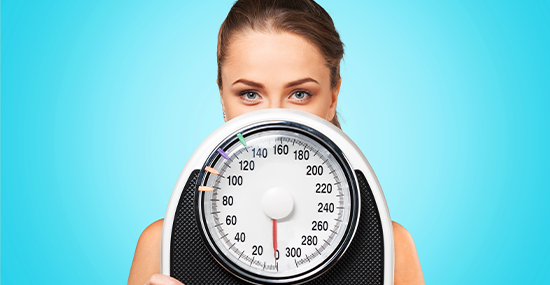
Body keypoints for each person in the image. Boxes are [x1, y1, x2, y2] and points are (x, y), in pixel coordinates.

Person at [128, 1, 425, 284]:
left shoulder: (388, 245)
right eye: (250, 94)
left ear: (333, 97)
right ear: (222, 96)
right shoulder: (163, 242)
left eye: (300, 94)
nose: (275, 118)